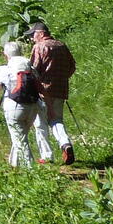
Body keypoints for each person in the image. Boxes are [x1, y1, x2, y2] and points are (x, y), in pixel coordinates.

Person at [29, 22, 77, 164]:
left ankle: (46, 156)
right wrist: (61, 79)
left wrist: (35, 84)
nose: (32, 38)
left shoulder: (39, 47)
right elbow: (72, 66)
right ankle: (65, 143)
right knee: (56, 120)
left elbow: (34, 69)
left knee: (40, 123)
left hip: (42, 91)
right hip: (60, 90)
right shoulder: (61, 45)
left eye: (33, 34)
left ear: (41, 33)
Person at [0, 40, 39, 167]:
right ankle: (14, 164)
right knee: (20, 136)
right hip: (33, 105)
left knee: (20, 139)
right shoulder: (29, 66)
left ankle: (31, 169)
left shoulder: (3, 69)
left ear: (5, 55)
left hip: (14, 106)